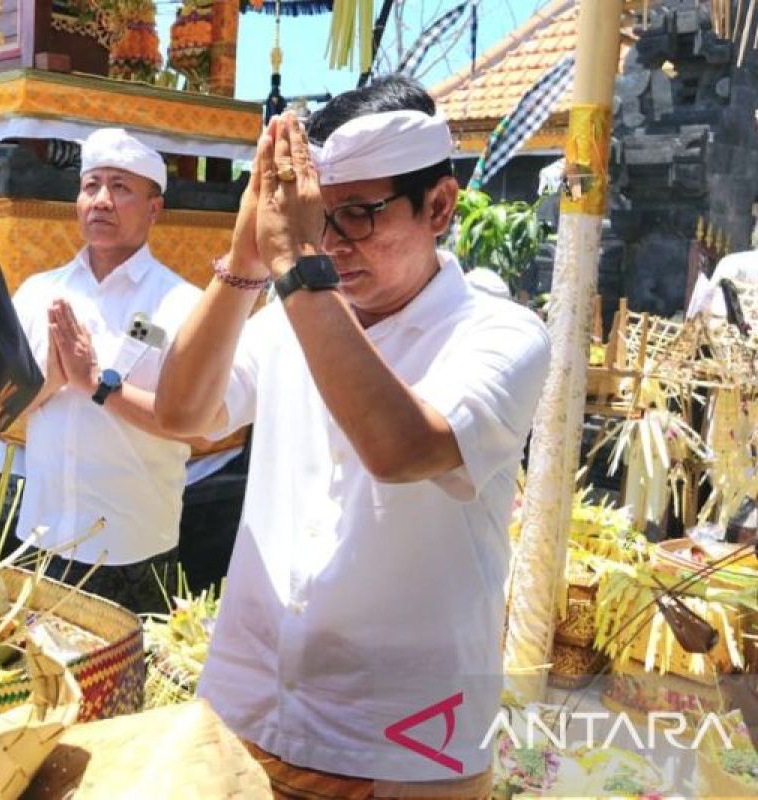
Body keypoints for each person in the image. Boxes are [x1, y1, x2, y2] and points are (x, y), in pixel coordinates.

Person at [156, 76, 551, 797]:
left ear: (439, 206)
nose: (330, 244)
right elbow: (180, 415)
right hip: (247, 706)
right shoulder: (288, 317)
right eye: (315, 219)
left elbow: (403, 449)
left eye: (358, 217)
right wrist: (247, 255)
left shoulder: (501, 334)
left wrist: (295, 265)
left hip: (403, 741)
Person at [5, 127, 204, 614]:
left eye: (120, 187)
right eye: (91, 185)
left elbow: (191, 423)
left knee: (126, 687)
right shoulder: (37, 292)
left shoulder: (182, 305)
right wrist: (51, 380)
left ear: (154, 209)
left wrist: (95, 384)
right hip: (40, 536)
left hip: (133, 545)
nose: (101, 201)